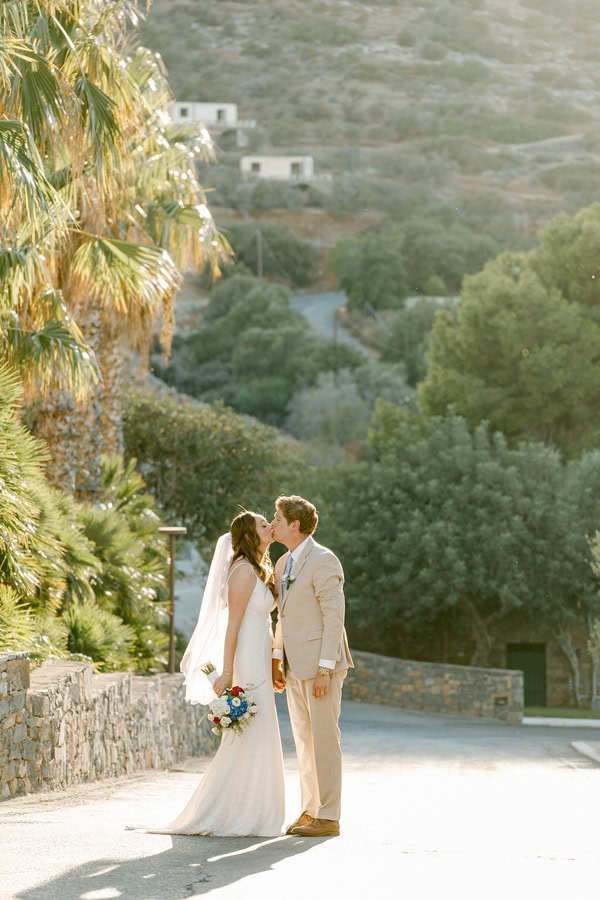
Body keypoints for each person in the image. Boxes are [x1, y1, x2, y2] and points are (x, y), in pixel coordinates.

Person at [154, 511, 285, 836]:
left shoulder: (260, 568)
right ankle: (232, 810)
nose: (269, 526)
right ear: (249, 535)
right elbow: (232, 627)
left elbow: (265, 623)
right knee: (250, 726)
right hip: (245, 656)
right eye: (263, 524)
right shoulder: (241, 571)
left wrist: (274, 662)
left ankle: (257, 807)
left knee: (261, 726)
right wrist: (227, 672)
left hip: (260, 654)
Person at [271, 494, 353, 838]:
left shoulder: (324, 560)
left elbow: (334, 617)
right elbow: (282, 617)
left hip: (322, 667)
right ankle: (310, 810)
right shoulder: (281, 564)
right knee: (304, 742)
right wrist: (277, 658)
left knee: (323, 739)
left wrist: (324, 668)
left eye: (277, 518)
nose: (272, 524)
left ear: (295, 524)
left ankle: (330, 816)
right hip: (293, 666)